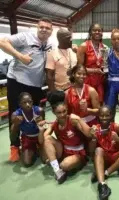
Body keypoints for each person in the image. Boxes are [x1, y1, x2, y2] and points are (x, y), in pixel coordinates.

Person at [0, 17, 53, 162]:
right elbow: (2, 42)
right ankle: (14, 147)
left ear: (51, 31)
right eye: (41, 27)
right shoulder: (25, 37)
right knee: (15, 116)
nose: (44, 29)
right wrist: (20, 56)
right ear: (37, 27)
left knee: (37, 115)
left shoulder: (49, 45)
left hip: (35, 85)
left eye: (47, 28)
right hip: (17, 81)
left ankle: (36, 142)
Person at [42, 91, 94, 184]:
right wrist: (40, 129)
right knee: (47, 139)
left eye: (64, 111)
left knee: (64, 165)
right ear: (54, 112)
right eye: (59, 113)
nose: (62, 115)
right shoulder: (55, 124)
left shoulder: (73, 120)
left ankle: (69, 165)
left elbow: (89, 135)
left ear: (67, 110)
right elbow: (43, 140)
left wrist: (79, 119)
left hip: (78, 153)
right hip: (64, 151)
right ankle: (57, 171)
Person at [91, 106, 119, 200]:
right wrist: (93, 138)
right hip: (103, 159)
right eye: (102, 116)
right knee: (98, 150)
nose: (104, 118)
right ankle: (102, 185)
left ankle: (106, 173)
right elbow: (90, 152)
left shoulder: (117, 127)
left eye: (107, 115)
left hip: (115, 157)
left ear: (111, 116)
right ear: (98, 116)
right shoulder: (94, 129)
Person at [65, 65, 100, 157]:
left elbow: (99, 111)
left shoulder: (91, 90)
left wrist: (87, 110)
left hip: (91, 123)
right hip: (76, 125)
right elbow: (66, 113)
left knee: (91, 152)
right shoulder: (67, 93)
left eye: (84, 74)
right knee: (77, 151)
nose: (82, 76)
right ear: (73, 74)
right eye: (79, 73)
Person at [10, 93, 46, 167]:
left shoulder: (39, 110)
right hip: (27, 138)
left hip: (39, 136)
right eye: (24, 102)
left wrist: (43, 140)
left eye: (30, 102)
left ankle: (38, 148)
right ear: (20, 104)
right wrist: (16, 125)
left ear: (32, 101)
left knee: (45, 160)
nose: (28, 104)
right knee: (27, 163)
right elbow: (13, 137)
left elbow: (44, 127)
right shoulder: (16, 115)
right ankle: (31, 149)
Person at [77, 23, 108, 105]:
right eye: (94, 30)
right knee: (87, 106)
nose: (97, 32)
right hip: (87, 82)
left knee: (99, 107)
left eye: (99, 30)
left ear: (102, 33)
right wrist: (95, 70)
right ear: (90, 32)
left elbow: (105, 64)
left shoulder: (104, 47)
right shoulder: (84, 46)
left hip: (100, 82)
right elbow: (79, 69)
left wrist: (105, 69)